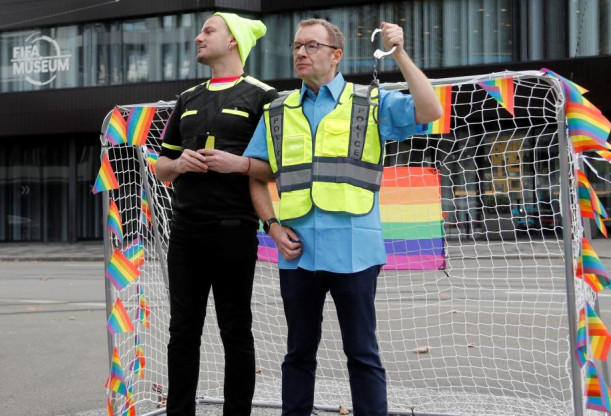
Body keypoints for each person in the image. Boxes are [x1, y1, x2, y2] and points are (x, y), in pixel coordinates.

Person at [242, 18, 442, 415]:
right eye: (297, 46)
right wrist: (272, 226)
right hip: (297, 252)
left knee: (362, 353)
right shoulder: (278, 109)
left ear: (336, 55)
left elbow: (430, 109)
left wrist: (398, 52)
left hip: (356, 251)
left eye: (311, 46)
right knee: (297, 353)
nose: (301, 52)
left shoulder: (370, 101)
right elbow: (256, 174)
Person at [154, 12, 278, 416]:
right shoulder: (187, 100)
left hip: (235, 230)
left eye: (208, 31)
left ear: (233, 41)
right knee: (182, 333)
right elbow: (161, 166)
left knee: (235, 331)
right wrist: (179, 165)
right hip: (186, 232)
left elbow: (278, 168)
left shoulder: (264, 96)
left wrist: (237, 163)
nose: (197, 37)